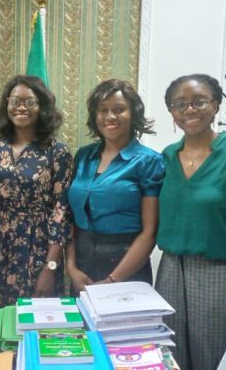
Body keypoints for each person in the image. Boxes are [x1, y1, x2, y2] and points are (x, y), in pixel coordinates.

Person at [155, 74, 226, 369]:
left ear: (215, 105)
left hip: (217, 272)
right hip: (170, 270)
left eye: (199, 101)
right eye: (180, 104)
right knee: (168, 357)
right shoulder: (167, 156)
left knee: (210, 360)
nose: (189, 110)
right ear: (172, 113)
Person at [0, 75, 73, 307]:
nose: (21, 107)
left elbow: (61, 214)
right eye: (15, 101)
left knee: (37, 317)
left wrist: (50, 267)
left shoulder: (57, 152)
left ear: (42, 107)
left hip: (39, 248)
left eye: (29, 102)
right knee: (1, 320)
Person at [65, 79, 164, 291]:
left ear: (133, 114)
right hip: (82, 264)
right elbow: (71, 218)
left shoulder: (148, 161)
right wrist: (71, 268)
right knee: (83, 324)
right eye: (103, 110)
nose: (110, 117)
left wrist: (112, 281)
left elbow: (150, 232)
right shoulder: (84, 156)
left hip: (126, 265)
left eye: (119, 110)